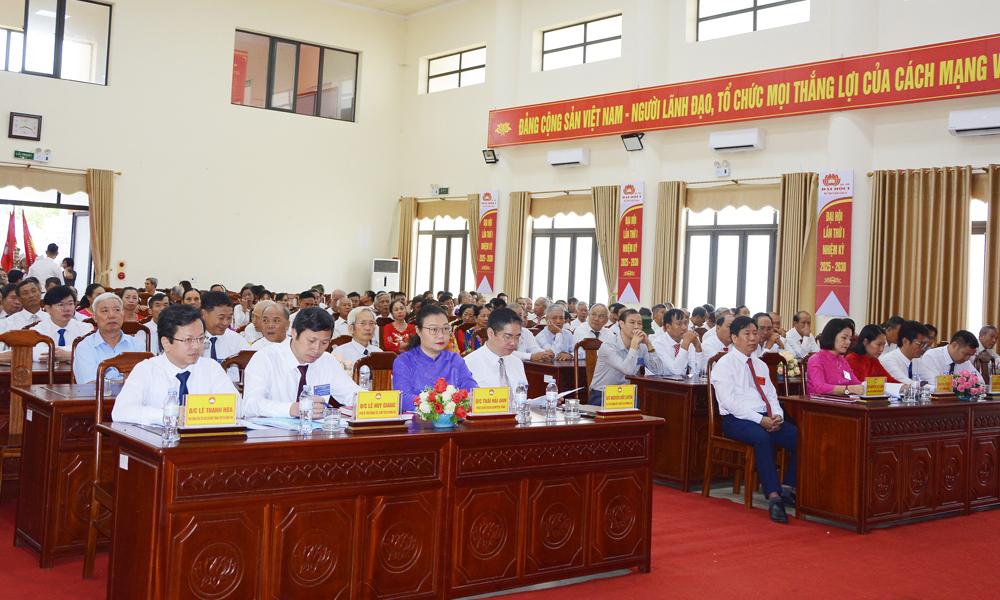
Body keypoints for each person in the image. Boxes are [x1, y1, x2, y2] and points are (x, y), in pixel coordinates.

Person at [710, 315, 797, 523]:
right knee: (762, 438)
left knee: (798, 435)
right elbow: (730, 403)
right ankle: (774, 497)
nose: (753, 338)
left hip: (764, 417)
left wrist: (777, 416)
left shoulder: (760, 365)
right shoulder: (724, 365)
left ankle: (787, 487)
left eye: (755, 333)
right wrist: (760, 420)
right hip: (736, 420)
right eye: (747, 334)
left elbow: (771, 395)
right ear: (734, 338)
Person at [111, 304, 238, 425]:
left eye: (200, 338)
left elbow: (236, 407)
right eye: (188, 340)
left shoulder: (211, 368)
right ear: (166, 343)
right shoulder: (146, 370)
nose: (196, 346)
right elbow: (121, 411)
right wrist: (169, 415)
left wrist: (198, 413)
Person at [243, 307, 360, 418]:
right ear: (294, 333)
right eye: (311, 341)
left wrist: (370, 401)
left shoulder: (327, 361)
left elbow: (352, 393)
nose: (316, 349)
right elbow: (250, 405)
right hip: (270, 431)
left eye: (324, 343)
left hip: (315, 431)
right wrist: (291, 409)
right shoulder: (265, 359)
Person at [392, 303, 477, 403]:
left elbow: (472, 391)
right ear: (418, 331)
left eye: (445, 328)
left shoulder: (455, 360)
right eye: (433, 329)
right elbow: (403, 398)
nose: (441, 335)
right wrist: (442, 404)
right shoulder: (404, 361)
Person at [0, 285, 91, 364]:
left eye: (70, 304)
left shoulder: (86, 328)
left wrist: (68, 355)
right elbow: (37, 354)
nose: (67, 309)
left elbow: (93, 353)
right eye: (60, 305)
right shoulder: (36, 331)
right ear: (48, 308)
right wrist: (76, 352)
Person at [588, 309, 661, 405]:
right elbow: (628, 370)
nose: (636, 327)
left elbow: (658, 370)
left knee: (649, 401)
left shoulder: (642, 346)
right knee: (634, 404)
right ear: (621, 324)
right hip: (602, 394)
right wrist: (634, 346)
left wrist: (648, 344)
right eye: (632, 322)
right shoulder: (608, 346)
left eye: (639, 323)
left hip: (626, 394)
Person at [72, 292, 142, 384]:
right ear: (94, 317)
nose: (112, 315)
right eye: (105, 311)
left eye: (117, 310)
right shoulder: (85, 346)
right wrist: (126, 382)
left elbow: (146, 380)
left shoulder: (138, 345)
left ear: (123, 314)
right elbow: (90, 384)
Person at [464, 307, 528, 388]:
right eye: (508, 336)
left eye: (517, 337)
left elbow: (522, 393)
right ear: (491, 333)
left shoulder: (517, 363)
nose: (514, 343)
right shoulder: (469, 364)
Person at [805, 318, 863, 396]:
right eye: (844, 338)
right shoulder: (816, 359)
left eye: (850, 339)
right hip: (820, 402)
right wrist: (848, 389)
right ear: (832, 336)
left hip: (842, 401)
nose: (848, 342)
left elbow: (855, 383)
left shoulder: (842, 361)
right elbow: (819, 387)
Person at [846, 324, 905, 390]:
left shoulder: (874, 360)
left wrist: (905, 387)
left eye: (883, 345)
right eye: (878, 344)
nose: (882, 349)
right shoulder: (852, 360)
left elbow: (890, 380)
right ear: (865, 342)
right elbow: (859, 386)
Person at [200, 291, 250, 370]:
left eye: (229, 318)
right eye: (221, 318)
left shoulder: (237, 341)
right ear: (204, 314)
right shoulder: (191, 340)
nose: (225, 323)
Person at [917, 330, 984, 384]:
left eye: (970, 355)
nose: (967, 359)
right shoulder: (931, 356)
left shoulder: (965, 362)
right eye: (965, 354)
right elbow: (935, 384)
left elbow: (980, 382)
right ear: (954, 345)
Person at [879, 320, 929, 386]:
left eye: (925, 344)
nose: (923, 348)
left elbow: (931, 380)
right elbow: (905, 382)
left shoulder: (917, 360)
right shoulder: (889, 360)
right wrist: (925, 385)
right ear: (905, 341)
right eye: (920, 344)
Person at [653, 308, 702, 376]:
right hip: (661, 381)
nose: (684, 327)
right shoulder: (658, 343)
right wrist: (685, 344)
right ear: (668, 327)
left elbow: (698, 371)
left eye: (685, 323)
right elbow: (676, 371)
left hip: (683, 381)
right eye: (679, 324)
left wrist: (698, 346)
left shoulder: (688, 340)